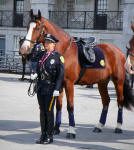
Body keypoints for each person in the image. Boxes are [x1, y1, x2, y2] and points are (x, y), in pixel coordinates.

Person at [31, 33, 64, 144]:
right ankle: (43, 134)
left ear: (54, 44)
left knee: (49, 112)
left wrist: (57, 89)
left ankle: (50, 136)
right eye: (45, 42)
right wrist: (34, 73)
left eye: (49, 43)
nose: (46, 44)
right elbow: (34, 63)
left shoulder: (58, 57)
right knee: (42, 111)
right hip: (40, 87)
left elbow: (60, 75)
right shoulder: (41, 55)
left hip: (51, 88)